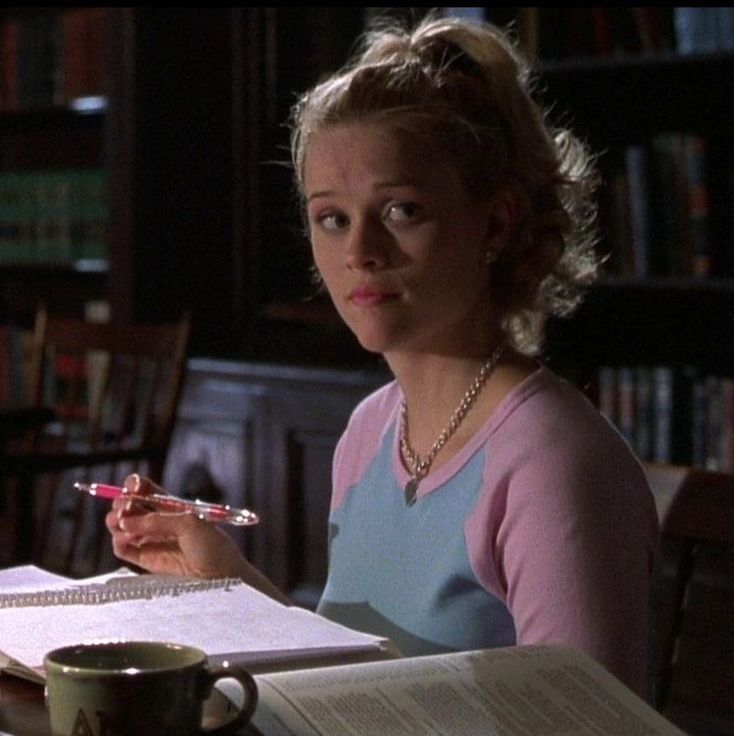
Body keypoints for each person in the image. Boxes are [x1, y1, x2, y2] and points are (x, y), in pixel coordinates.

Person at [106, 14, 658, 697]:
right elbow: (364, 676)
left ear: (496, 221)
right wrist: (224, 580)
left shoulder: (553, 463)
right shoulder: (370, 430)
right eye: (331, 218)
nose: (358, 252)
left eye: (401, 210)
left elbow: (585, 723)